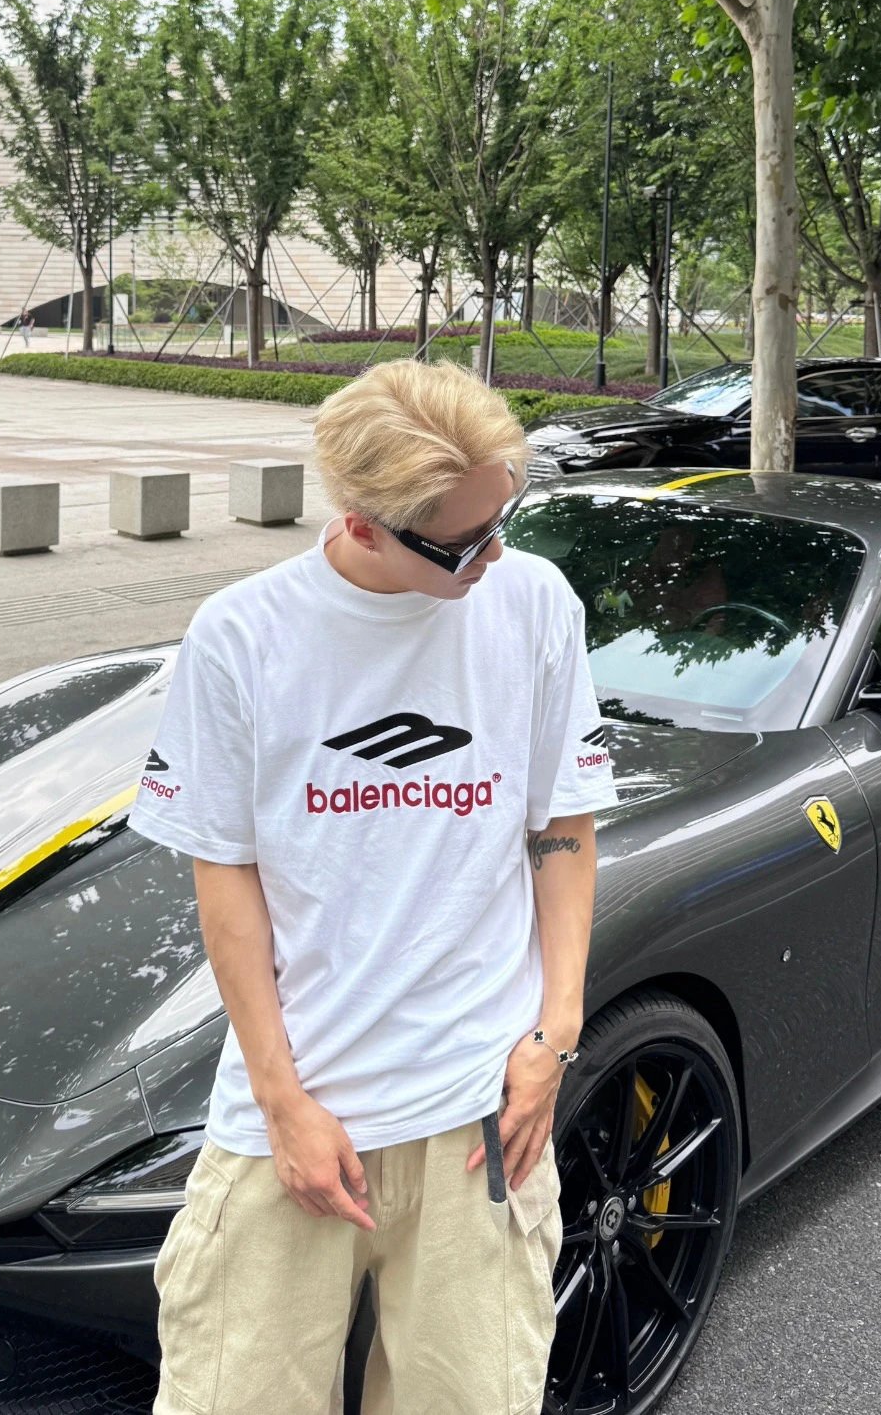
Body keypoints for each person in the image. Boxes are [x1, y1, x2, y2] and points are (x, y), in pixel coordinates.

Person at [129, 358, 617, 1415]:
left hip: (480, 1115)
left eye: (504, 518)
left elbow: (562, 827)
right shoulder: (244, 635)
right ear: (362, 525)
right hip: (294, 1120)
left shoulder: (534, 604)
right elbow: (226, 880)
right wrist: (281, 1102)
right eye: (465, 540)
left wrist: (556, 1032)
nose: (495, 553)